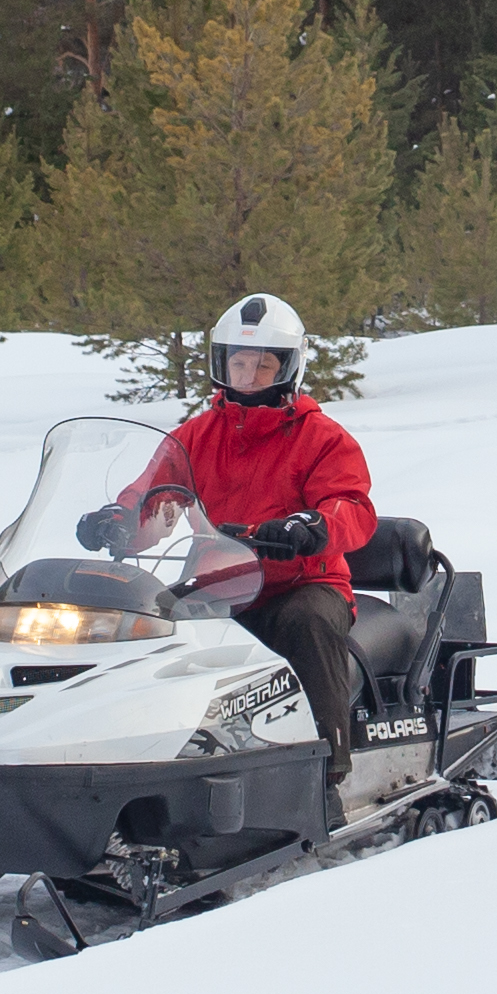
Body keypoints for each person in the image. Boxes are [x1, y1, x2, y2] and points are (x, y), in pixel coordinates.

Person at [126, 293, 376, 780]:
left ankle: (325, 771)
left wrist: (313, 528)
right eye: (238, 363)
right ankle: (143, 755)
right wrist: (119, 520)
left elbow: (353, 507)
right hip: (216, 585)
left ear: (288, 367)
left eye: (262, 365)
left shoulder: (321, 437)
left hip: (302, 584)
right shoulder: (196, 435)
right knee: (142, 627)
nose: (248, 376)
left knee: (305, 623)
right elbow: (150, 493)